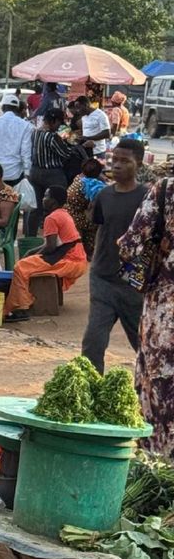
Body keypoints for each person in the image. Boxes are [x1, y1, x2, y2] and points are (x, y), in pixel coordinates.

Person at [80, 139, 149, 372]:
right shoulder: (104, 196)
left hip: (133, 283)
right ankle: (91, 390)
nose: (117, 165)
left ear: (138, 164)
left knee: (144, 344)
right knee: (93, 341)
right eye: (114, 160)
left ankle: (153, 393)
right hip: (102, 278)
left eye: (124, 161)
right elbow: (96, 226)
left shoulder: (148, 198)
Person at [119, 179, 174, 455]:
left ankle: (157, 468)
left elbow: (129, 246)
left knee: (159, 389)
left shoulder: (165, 190)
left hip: (164, 313)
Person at [4, 187, 88, 321]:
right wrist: (32, 253)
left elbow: (50, 247)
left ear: (53, 202)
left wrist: (32, 257)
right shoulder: (63, 213)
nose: (43, 199)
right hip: (78, 260)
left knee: (21, 267)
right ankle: (25, 300)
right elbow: (52, 244)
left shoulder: (52, 218)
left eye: (46, 196)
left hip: (69, 261)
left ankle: (21, 307)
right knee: (26, 263)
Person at [26, 109, 77, 236]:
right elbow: (65, 153)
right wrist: (70, 141)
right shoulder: (52, 136)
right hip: (52, 174)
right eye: (59, 123)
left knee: (35, 206)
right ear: (54, 121)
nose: (60, 126)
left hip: (35, 172)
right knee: (61, 203)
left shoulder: (35, 132)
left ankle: (30, 236)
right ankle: (61, 234)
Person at [0, 96, 33, 186]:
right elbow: (26, 151)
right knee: (13, 199)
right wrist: (27, 172)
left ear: (2, 107)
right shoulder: (26, 126)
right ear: (17, 109)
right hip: (15, 174)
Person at [65, 159, 106, 260]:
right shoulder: (92, 185)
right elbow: (94, 204)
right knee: (95, 222)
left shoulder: (78, 178)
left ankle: (82, 251)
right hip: (79, 216)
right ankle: (88, 252)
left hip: (69, 211)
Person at [74, 94, 111, 159]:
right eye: (76, 108)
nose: (77, 110)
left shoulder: (100, 115)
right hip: (86, 150)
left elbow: (107, 133)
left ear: (86, 105)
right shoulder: (83, 116)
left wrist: (88, 138)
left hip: (98, 151)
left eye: (79, 108)